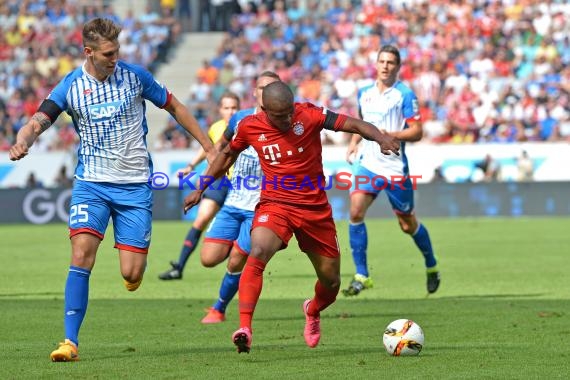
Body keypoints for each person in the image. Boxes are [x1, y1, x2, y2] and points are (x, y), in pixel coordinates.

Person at [8, 18, 215, 362]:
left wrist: (208, 146)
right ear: (88, 52)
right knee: (81, 255)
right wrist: (22, 141)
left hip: (134, 187)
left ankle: (132, 275)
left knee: (131, 274)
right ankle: (69, 342)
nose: (115, 58)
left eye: (117, 51)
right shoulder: (70, 87)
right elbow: (37, 121)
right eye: (108, 53)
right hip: (92, 184)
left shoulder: (135, 77)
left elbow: (175, 106)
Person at [183, 81, 400, 353]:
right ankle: (245, 328)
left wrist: (380, 138)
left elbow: (354, 124)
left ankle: (312, 309)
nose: (287, 119)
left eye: (289, 112)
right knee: (258, 249)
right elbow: (227, 156)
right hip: (276, 205)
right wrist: (201, 187)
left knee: (331, 283)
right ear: (264, 110)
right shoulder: (250, 126)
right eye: (279, 115)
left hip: (314, 209)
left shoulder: (308, 114)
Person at [343, 45, 440, 297]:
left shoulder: (405, 95)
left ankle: (431, 264)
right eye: (382, 61)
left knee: (407, 225)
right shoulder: (364, 93)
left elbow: (417, 131)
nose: (385, 66)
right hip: (368, 164)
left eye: (390, 62)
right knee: (355, 211)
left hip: (394, 167)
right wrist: (354, 143)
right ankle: (361, 275)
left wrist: (390, 134)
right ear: (376, 64)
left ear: (398, 67)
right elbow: (361, 123)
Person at [199, 71, 280, 324]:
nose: (265, 93)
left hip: (260, 208)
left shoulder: (283, 124)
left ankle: (219, 309)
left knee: (236, 260)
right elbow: (223, 149)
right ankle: (237, 250)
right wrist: (207, 178)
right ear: (254, 92)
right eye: (261, 88)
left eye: (271, 88)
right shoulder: (240, 119)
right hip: (233, 201)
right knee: (208, 259)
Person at [158, 91, 240, 280]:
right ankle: (179, 267)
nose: (230, 111)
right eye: (226, 108)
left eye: (234, 107)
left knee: (238, 227)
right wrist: (191, 166)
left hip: (240, 184)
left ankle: (235, 265)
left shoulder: (244, 125)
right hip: (220, 181)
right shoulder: (216, 128)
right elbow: (209, 150)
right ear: (220, 110)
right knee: (201, 219)